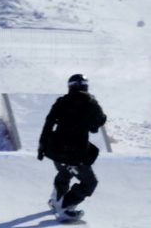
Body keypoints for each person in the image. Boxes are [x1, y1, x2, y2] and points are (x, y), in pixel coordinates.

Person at [37, 73, 107, 217]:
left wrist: (42, 146)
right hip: (75, 154)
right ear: (85, 86)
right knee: (89, 183)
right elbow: (99, 122)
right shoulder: (90, 102)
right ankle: (65, 206)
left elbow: (48, 123)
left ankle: (56, 199)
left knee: (65, 172)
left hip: (56, 151)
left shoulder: (61, 101)